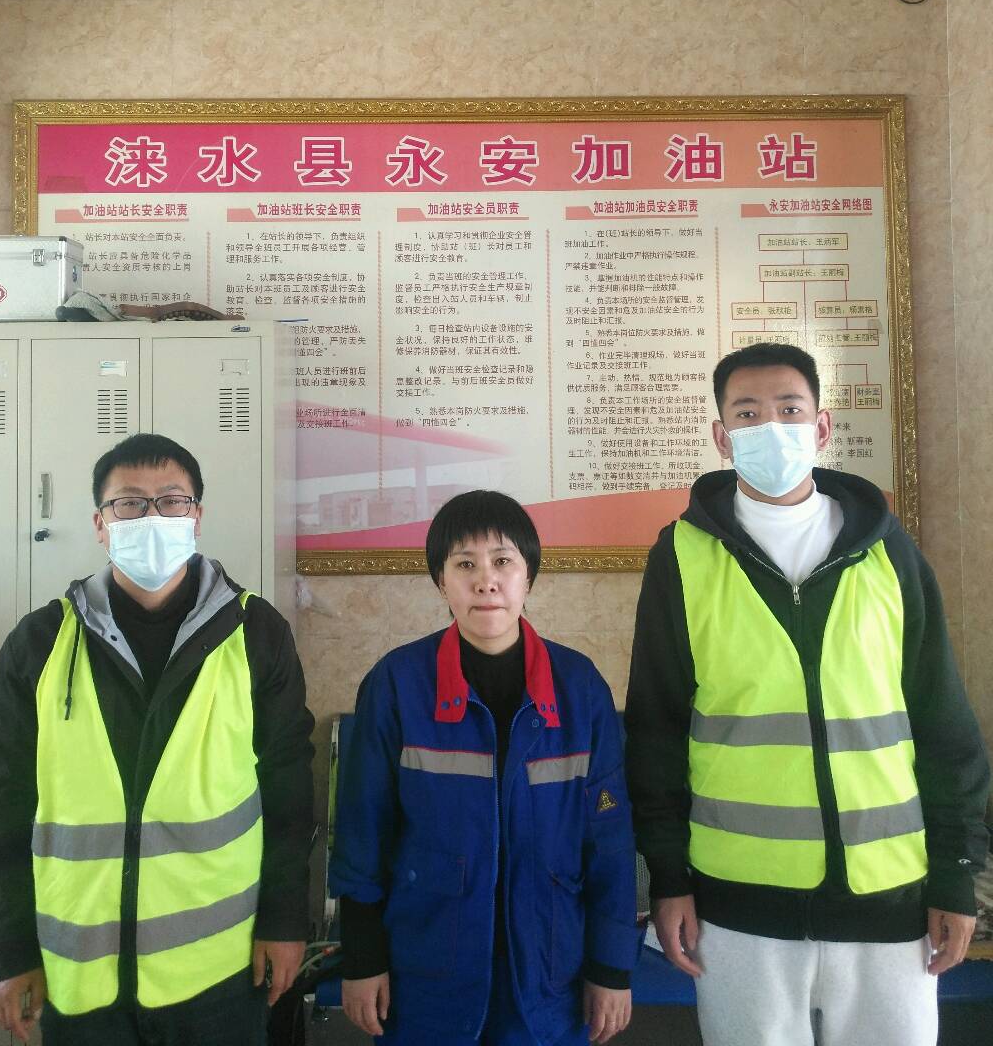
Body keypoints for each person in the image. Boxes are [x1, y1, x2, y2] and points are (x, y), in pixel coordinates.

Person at [624, 342, 990, 1046]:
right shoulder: (682, 557)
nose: (771, 428)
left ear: (821, 427)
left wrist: (956, 874)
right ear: (721, 437)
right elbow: (656, 731)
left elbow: (945, 724)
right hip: (738, 906)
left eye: (789, 410)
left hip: (891, 898)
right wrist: (668, 877)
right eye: (748, 414)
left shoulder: (888, 554)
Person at [0, 433, 315, 1045]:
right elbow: (4, 802)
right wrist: (10, 950)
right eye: (130, 503)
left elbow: (288, 788)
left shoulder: (255, 633)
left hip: (218, 973)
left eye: (172, 501)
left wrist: (286, 919)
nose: (152, 517)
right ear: (100, 524)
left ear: (197, 517)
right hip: (79, 979)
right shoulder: (40, 644)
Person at [330, 490, 640, 1046]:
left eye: (502, 562)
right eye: (465, 565)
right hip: (425, 972)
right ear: (440, 581)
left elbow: (610, 843)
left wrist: (611, 966)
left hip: (551, 971)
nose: (486, 582)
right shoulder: (397, 684)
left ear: (528, 576)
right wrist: (362, 958)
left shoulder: (579, 688)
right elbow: (362, 832)